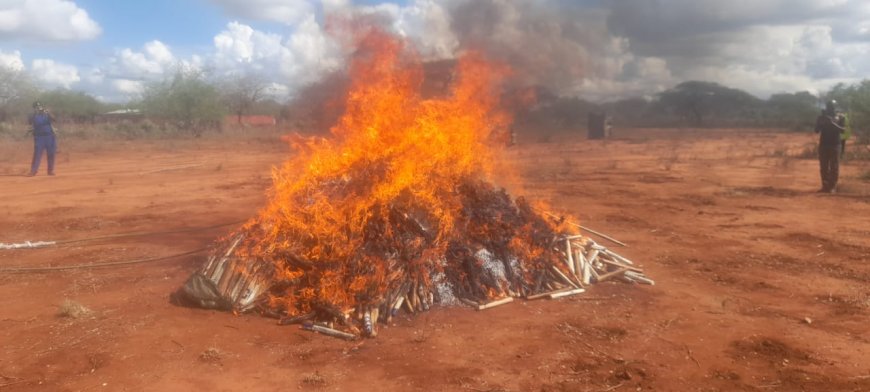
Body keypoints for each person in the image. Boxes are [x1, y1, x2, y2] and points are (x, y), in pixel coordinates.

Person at [814, 100, 845, 193]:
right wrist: (821, 122)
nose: (830, 109)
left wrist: (832, 123)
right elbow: (816, 130)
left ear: (835, 107)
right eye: (829, 107)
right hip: (823, 144)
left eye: (832, 107)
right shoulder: (821, 117)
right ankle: (825, 186)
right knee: (823, 166)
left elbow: (843, 130)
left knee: (834, 166)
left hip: (835, 144)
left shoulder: (840, 117)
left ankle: (833, 187)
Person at [27, 101, 57, 176]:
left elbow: (54, 119)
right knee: (37, 154)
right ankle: (33, 171)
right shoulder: (33, 115)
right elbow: (29, 122)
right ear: (34, 108)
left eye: (40, 106)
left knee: (51, 154)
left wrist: (48, 113)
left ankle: (50, 170)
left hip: (50, 136)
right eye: (36, 107)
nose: (38, 108)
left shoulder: (47, 114)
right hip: (39, 137)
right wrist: (35, 113)